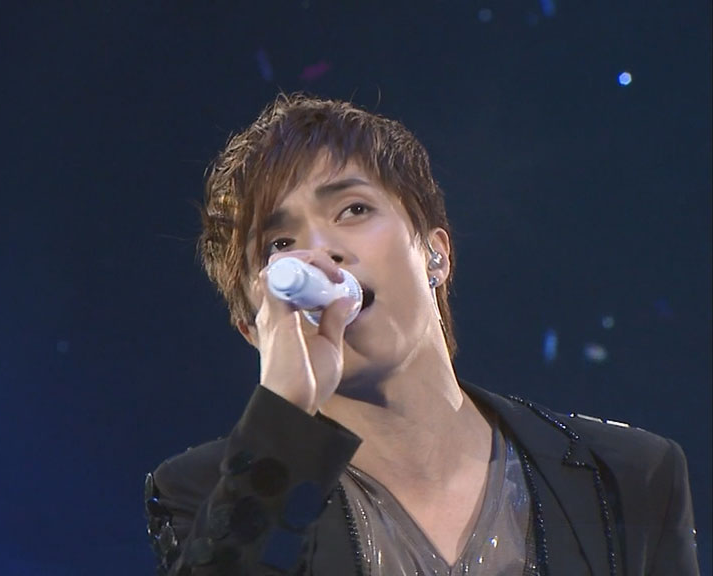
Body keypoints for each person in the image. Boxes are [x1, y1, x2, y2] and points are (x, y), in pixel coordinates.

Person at [143, 93, 699, 575]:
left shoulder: (628, 476)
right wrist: (284, 412)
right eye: (280, 245)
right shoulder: (203, 498)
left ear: (435, 253)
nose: (320, 253)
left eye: (353, 209)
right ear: (253, 328)